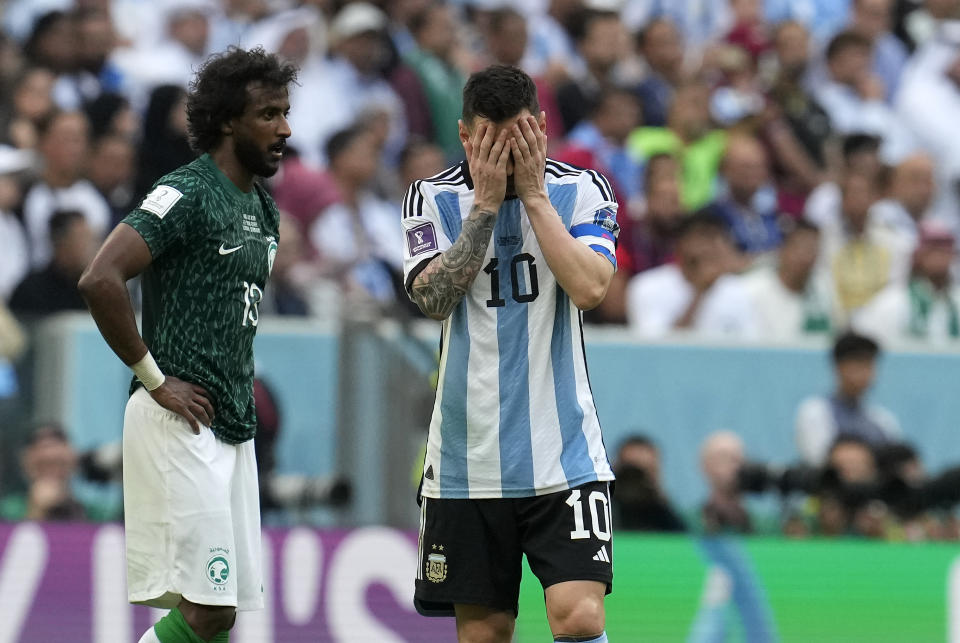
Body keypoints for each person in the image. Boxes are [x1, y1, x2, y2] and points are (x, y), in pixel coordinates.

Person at [78, 47, 296, 643]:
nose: (285, 129)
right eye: (269, 115)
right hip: (177, 417)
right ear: (228, 120)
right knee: (205, 607)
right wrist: (155, 379)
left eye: (286, 112)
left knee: (220, 612)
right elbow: (100, 277)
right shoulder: (186, 191)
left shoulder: (264, 210)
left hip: (230, 422)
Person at [401, 65, 616, 643]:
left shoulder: (582, 189)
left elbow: (592, 288)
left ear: (543, 129)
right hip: (466, 462)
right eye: (493, 141)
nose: (509, 151)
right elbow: (432, 298)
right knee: (485, 634)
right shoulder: (432, 197)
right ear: (466, 137)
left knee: (579, 617)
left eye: (522, 136)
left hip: (564, 450)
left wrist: (536, 198)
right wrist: (486, 206)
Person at [626, 213, 758, 339]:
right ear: (680, 244)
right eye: (702, 236)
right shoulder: (646, 287)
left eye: (715, 238)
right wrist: (699, 292)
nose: (708, 247)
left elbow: (750, 350)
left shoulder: (739, 290)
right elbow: (657, 352)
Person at [794, 331, 902, 467]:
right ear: (838, 367)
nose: (865, 373)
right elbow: (822, 463)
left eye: (870, 365)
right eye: (858, 363)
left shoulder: (882, 420)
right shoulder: (815, 411)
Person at [853, 220, 960, 344]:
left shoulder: (956, 300)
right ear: (918, 255)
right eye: (932, 250)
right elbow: (863, 340)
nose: (939, 258)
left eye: (944, 251)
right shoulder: (893, 301)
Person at [742, 219, 836, 339]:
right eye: (800, 247)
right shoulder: (751, 289)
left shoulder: (823, 289)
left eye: (812, 249)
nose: (806, 257)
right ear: (782, 249)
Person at [10, 209, 96, 316]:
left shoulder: (94, 291)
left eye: (92, 239)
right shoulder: (30, 291)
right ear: (60, 244)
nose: (92, 248)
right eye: (83, 239)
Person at [611, 434, 685, 532]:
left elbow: (683, 538)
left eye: (648, 471)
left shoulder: (666, 518)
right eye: (632, 473)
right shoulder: (600, 514)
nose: (637, 481)